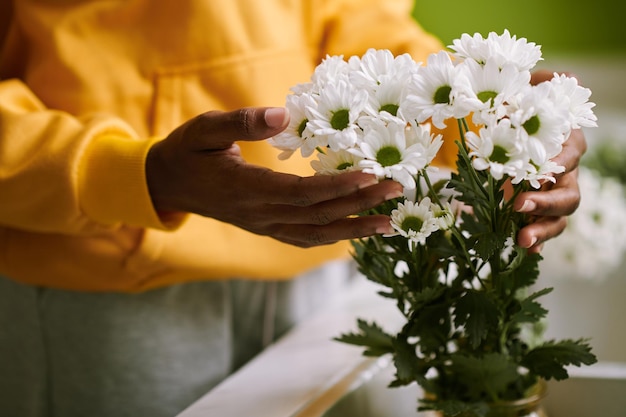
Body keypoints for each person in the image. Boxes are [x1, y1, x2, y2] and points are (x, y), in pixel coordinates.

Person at [0, 1, 586, 416]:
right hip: (104, 285)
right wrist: (136, 173)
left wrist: (502, 119)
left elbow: (362, 26)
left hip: (315, 268)